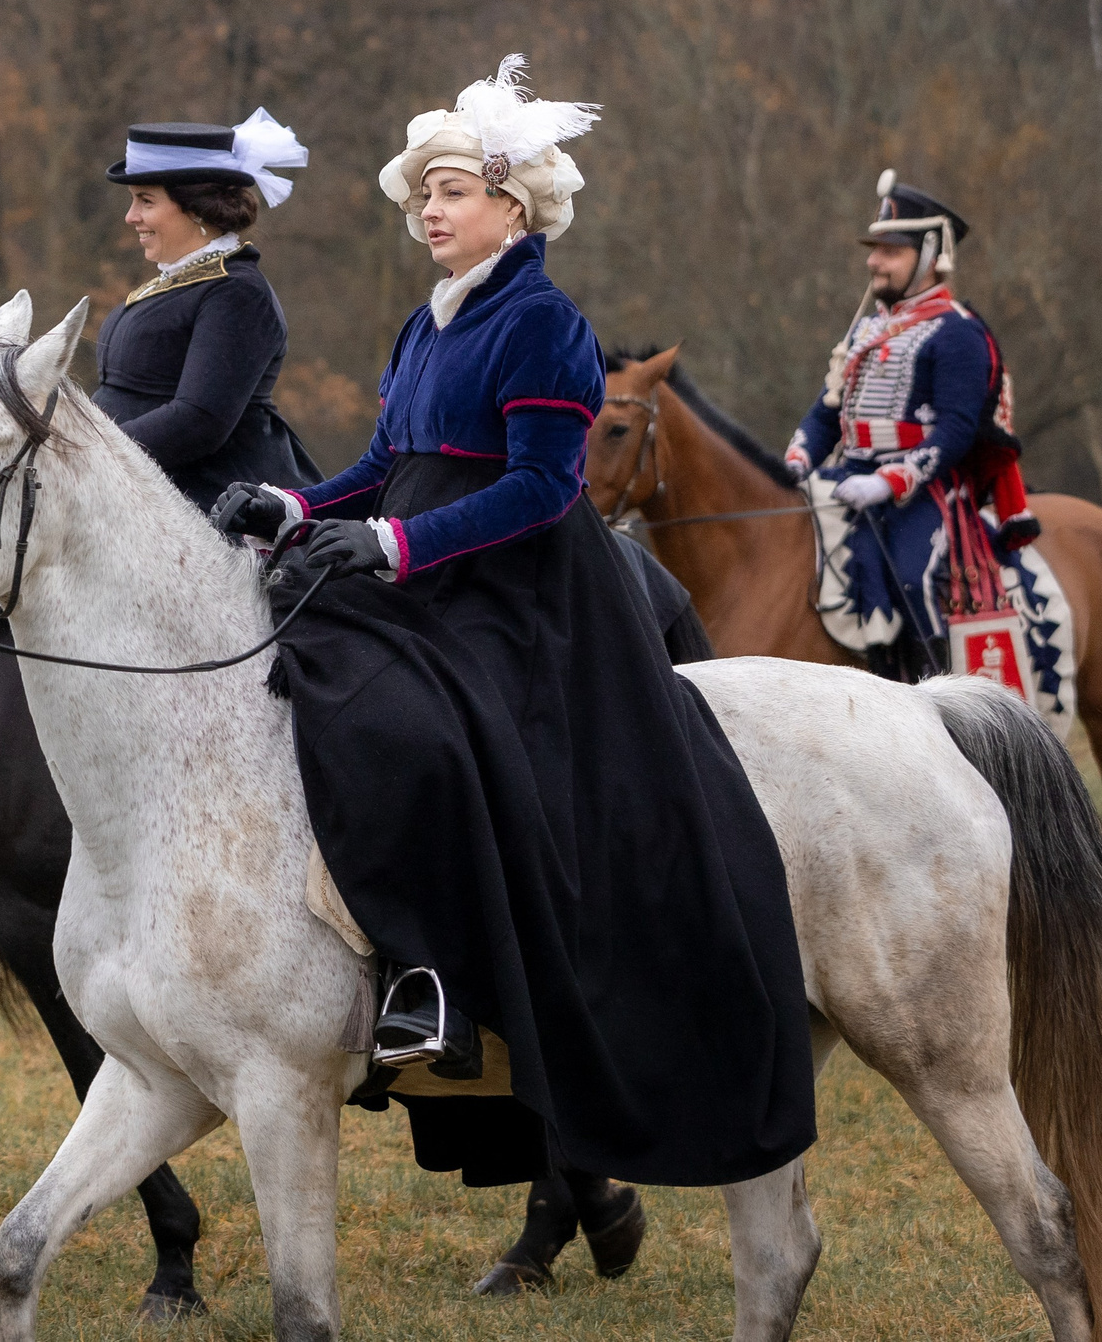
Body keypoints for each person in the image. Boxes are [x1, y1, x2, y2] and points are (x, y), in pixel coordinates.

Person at [210, 59, 814, 1211]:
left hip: (522, 595)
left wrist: (390, 548)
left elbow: (543, 490)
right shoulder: (424, 323)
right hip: (426, 564)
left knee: (409, 728)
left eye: (450, 192)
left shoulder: (544, 324)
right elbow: (389, 466)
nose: (427, 211)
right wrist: (296, 509)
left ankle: (431, 978)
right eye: (418, 196)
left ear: (514, 208)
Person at [783, 171, 1036, 683]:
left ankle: (939, 698)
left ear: (928, 255)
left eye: (890, 251)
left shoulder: (959, 332)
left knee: (910, 574)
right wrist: (796, 458)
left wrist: (888, 482)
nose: (874, 260)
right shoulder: (867, 328)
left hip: (926, 492)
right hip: (847, 476)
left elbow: (957, 431)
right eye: (874, 248)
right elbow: (829, 409)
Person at [93, 112, 321, 507]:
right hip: (139, 489)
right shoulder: (177, 281)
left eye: (145, 200)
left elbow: (198, 421)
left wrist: (87, 457)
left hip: (216, 506)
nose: (131, 217)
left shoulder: (237, 293)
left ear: (195, 208)